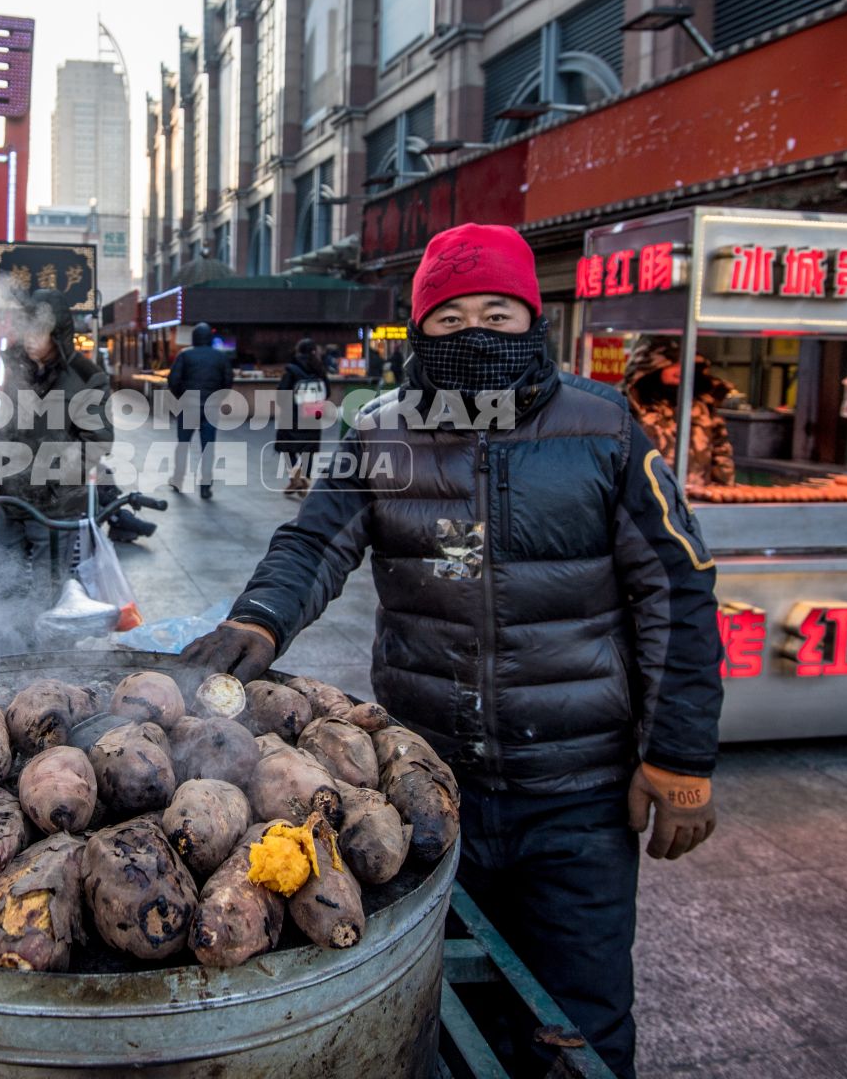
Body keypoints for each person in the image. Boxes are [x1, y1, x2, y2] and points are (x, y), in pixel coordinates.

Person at [183, 223, 722, 1079]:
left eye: (500, 313)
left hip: (577, 795)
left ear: (533, 321)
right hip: (431, 785)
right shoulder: (382, 434)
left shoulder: (605, 429)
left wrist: (680, 756)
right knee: (444, 1009)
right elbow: (315, 544)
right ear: (420, 328)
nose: (476, 332)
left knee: (580, 1018)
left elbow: (678, 591)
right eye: (451, 315)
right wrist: (260, 619)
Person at [0, 289, 113, 610]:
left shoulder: (87, 377)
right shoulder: (17, 368)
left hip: (55, 507)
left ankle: (39, 655)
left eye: (38, 331)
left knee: (46, 592)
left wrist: (53, 479)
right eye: (25, 329)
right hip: (11, 497)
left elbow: (97, 440)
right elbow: (2, 424)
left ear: (58, 334)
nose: (29, 339)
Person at [620, 335, 737, 488]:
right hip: (646, 501)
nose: (680, 370)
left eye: (687, 363)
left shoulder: (702, 406)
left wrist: (722, 493)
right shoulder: (627, 405)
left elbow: (721, 453)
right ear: (652, 365)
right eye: (673, 363)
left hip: (696, 502)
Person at [166, 322, 233, 500]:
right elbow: (227, 382)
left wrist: (182, 396)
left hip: (188, 406)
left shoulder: (184, 355)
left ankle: (178, 479)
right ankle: (205, 486)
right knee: (208, 447)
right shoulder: (220, 357)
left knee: (183, 444)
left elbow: (173, 380)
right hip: (210, 408)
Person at [274, 338, 329, 497]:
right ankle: (303, 479)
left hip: (292, 416)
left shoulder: (291, 370)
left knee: (287, 448)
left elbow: (282, 394)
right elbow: (328, 392)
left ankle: (295, 478)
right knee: (308, 451)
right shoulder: (319, 369)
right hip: (313, 415)